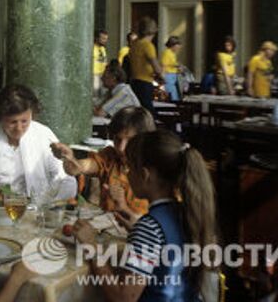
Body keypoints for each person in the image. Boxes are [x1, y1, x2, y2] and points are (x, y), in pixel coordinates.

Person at [74, 129, 217, 302]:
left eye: (129, 169)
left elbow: (123, 298)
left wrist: (92, 248)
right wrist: (135, 223)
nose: (127, 174)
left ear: (144, 174)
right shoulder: (185, 211)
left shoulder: (149, 227)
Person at [0, 84, 76, 200]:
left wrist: (47, 202)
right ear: (1, 117)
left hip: (37, 209)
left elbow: (66, 180)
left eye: (24, 121)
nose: (19, 128)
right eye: (12, 122)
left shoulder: (43, 135)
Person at [52, 106, 154, 219]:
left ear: (144, 139)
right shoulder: (110, 157)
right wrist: (68, 157)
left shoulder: (156, 169)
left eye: (129, 140)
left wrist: (123, 207)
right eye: (117, 139)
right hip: (107, 228)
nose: (121, 148)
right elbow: (76, 168)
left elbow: (149, 227)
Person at [128, 17, 163, 114]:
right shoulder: (148, 46)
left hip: (134, 81)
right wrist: (161, 77)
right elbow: (156, 68)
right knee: (147, 112)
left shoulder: (134, 43)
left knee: (137, 111)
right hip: (145, 82)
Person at [160, 36, 182, 101]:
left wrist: (178, 68)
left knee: (174, 93)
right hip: (168, 75)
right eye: (178, 45)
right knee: (171, 94)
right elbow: (163, 65)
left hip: (173, 75)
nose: (179, 47)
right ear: (173, 45)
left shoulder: (173, 54)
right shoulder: (167, 53)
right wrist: (163, 76)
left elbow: (171, 64)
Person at [93, 29, 110, 99]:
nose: (105, 40)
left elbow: (104, 61)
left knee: (103, 95)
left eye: (106, 39)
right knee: (95, 94)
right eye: (103, 38)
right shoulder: (92, 47)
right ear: (96, 38)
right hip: (94, 74)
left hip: (103, 74)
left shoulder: (103, 48)